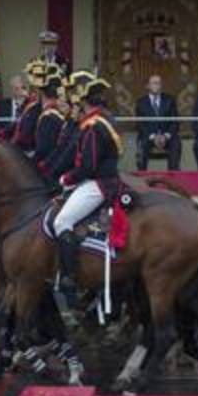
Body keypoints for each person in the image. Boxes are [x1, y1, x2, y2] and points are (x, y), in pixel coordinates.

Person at [54, 77, 123, 304]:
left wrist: (66, 178)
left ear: (84, 100)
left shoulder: (93, 126)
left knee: (61, 221)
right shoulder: (103, 118)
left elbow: (88, 166)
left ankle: (69, 277)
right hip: (103, 179)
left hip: (98, 183)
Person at [134, 74, 181, 170]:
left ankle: (172, 175)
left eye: (158, 83)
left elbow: (175, 122)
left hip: (166, 136)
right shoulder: (140, 102)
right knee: (142, 144)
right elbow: (140, 125)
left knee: (176, 143)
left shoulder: (170, 100)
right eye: (154, 83)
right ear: (148, 86)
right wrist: (153, 137)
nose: (156, 85)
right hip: (148, 136)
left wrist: (166, 136)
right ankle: (142, 176)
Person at [32, 72, 67, 173]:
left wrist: (31, 163)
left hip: (50, 169)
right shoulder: (56, 114)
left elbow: (44, 150)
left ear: (41, 93)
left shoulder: (48, 117)